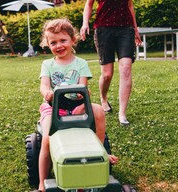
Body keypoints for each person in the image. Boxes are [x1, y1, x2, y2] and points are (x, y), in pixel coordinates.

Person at [36, 18, 118, 192]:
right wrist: (47, 92)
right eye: (53, 42)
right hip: (53, 105)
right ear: (48, 45)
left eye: (63, 40)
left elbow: (83, 89)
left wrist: (82, 99)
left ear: (73, 40)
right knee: (47, 137)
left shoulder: (81, 64)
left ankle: (100, 150)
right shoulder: (48, 64)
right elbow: (43, 85)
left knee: (97, 111)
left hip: (77, 105)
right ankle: (42, 181)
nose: (59, 45)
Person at [80, 0, 142, 126]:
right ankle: (103, 97)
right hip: (103, 28)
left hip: (125, 28)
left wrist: (135, 29)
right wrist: (85, 23)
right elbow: (89, 3)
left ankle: (122, 114)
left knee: (126, 68)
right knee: (107, 74)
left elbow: (130, 5)